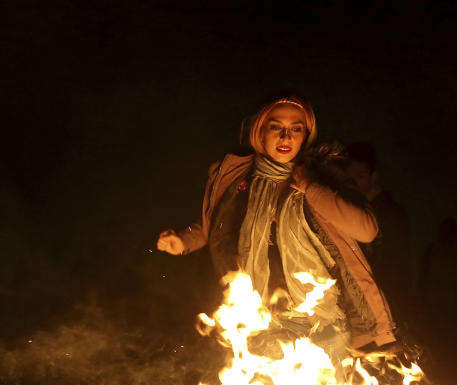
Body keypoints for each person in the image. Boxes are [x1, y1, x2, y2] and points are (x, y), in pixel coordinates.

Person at [156, 93, 394, 362]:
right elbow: (218, 222)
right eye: (276, 127)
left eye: (296, 129)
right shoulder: (237, 175)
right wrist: (184, 241)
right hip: (260, 319)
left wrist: (309, 187)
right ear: (260, 130)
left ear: (306, 135)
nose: (286, 137)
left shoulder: (326, 176)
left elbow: (366, 229)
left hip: (320, 322)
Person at [343, 142, 413, 329]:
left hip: (386, 300)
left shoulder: (388, 212)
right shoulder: (348, 207)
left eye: (361, 176)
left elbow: (397, 263)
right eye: (349, 177)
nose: (354, 183)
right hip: (360, 302)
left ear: (374, 176)